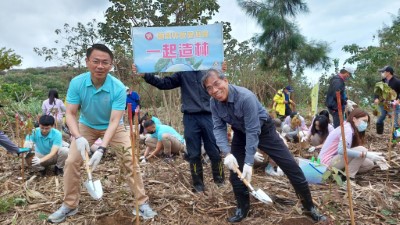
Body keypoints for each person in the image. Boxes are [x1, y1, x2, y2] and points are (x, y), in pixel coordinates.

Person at [48, 44, 157, 223]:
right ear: (87, 62)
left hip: (113, 127)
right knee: (71, 161)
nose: (100, 66)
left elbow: (115, 121)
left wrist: (101, 149)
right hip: (86, 126)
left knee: (130, 159)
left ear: (111, 65)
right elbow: (70, 113)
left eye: (105, 62)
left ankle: (142, 203)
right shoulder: (77, 83)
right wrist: (78, 136)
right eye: (96, 61)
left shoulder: (118, 87)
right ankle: (69, 205)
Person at [202, 69, 326, 223]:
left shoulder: (245, 97)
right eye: (209, 88)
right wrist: (227, 153)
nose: (214, 90)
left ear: (225, 81)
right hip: (240, 133)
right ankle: (242, 208)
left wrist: (249, 162)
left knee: (291, 167)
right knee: (235, 172)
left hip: (264, 131)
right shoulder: (214, 103)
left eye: (216, 84)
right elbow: (218, 128)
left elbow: (253, 131)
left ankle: (309, 207)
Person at [132, 63, 225, 192]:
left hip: (209, 115)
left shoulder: (209, 69)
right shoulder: (183, 71)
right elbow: (164, 83)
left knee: (214, 151)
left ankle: (220, 182)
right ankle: (198, 185)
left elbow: (221, 85)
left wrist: (220, 70)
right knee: (193, 153)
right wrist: (146, 75)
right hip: (190, 117)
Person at [318, 108, 386, 180]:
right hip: (326, 163)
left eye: (366, 122)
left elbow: (350, 151)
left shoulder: (350, 129)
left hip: (337, 160)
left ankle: (338, 174)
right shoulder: (347, 129)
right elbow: (341, 150)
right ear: (354, 119)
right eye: (364, 121)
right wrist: (367, 154)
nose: (365, 124)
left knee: (369, 164)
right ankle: (348, 178)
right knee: (362, 150)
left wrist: (373, 156)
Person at [374, 66, 400, 134]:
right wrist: (376, 98)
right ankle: (379, 134)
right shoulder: (381, 82)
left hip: (393, 104)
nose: (382, 73)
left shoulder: (397, 82)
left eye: (383, 72)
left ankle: (396, 140)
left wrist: (398, 100)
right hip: (382, 104)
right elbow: (377, 92)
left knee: (395, 122)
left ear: (388, 72)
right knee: (380, 119)